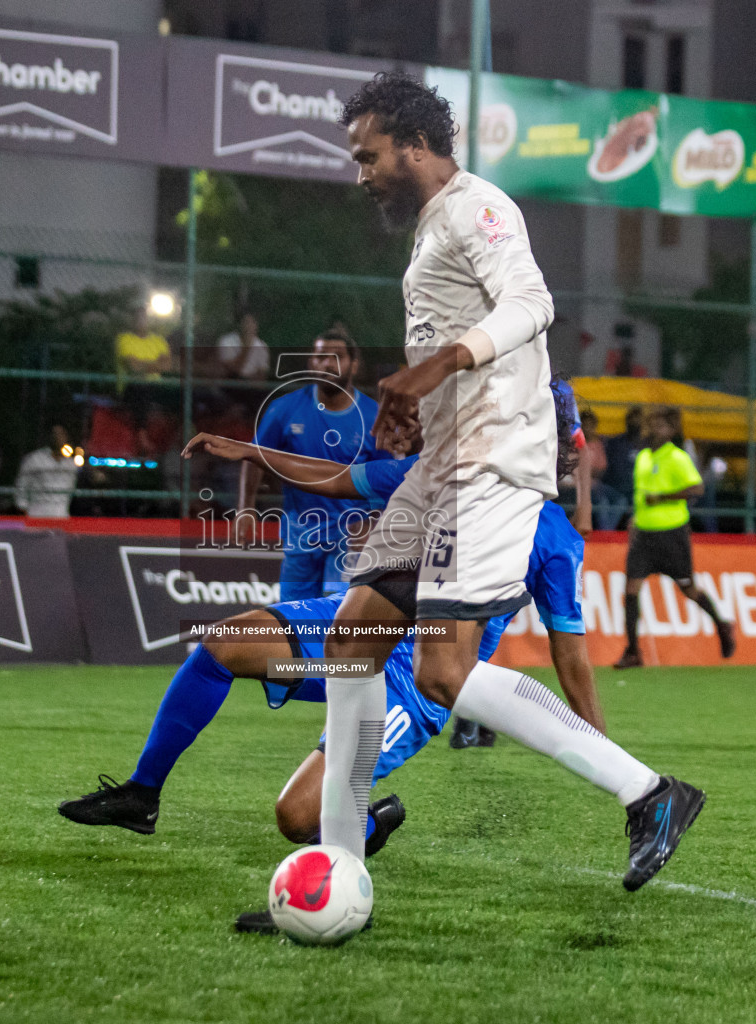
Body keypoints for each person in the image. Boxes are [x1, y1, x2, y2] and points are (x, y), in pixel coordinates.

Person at [314, 72, 700, 891]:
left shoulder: (480, 206)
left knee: (442, 674)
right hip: (442, 463)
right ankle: (336, 870)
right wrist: (419, 402)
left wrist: (441, 365)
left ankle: (650, 792)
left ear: (414, 143)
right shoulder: (428, 229)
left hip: (493, 466)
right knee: (352, 638)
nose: (360, 174)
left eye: (369, 155)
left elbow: (532, 300)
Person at [60, 382, 619, 928]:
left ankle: (356, 851)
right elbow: (336, 477)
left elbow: (569, 650)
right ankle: (143, 793)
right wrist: (252, 450)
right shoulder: (439, 477)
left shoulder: (549, 537)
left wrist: (609, 762)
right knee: (222, 644)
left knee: (294, 817)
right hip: (347, 633)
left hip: (410, 680)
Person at [239, 328, 378, 600]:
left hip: (349, 539)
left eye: (336, 357)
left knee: (337, 619)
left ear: (354, 364)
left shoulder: (373, 416)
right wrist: (246, 508)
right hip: (299, 537)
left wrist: (372, 525)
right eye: (320, 356)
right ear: (310, 362)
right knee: (294, 620)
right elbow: (254, 456)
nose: (327, 363)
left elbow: (388, 480)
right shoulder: (284, 408)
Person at [615, 406, 736, 669]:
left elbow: (697, 487)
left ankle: (722, 625)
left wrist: (662, 498)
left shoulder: (677, 457)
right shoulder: (644, 457)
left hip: (672, 534)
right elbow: (640, 493)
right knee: (631, 589)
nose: (656, 429)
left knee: (688, 589)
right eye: (653, 424)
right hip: (644, 535)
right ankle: (633, 651)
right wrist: (635, 518)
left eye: (662, 425)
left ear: (672, 430)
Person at [14, 424, 82, 519]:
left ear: (66, 437)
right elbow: (21, 485)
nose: (57, 437)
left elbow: (72, 490)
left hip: (61, 516)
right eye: (54, 434)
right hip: (36, 515)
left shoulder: (71, 464)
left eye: (61, 434)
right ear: (49, 436)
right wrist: (23, 509)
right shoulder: (33, 459)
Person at [600, 406, 644, 526]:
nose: (635, 422)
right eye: (632, 419)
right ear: (626, 421)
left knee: (643, 500)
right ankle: (607, 533)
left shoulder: (647, 445)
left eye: (638, 419)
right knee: (617, 500)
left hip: (639, 489)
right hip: (617, 487)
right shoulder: (616, 443)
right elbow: (612, 469)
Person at [114, 308, 173, 392]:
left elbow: (167, 366)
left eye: (144, 317)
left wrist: (142, 364)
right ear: (132, 320)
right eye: (138, 317)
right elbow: (134, 367)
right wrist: (156, 364)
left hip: (155, 388)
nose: (141, 320)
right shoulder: (123, 339)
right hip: (131, 388)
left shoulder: (159, 340)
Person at [216, 310, 270, 381]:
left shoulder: (262, 345)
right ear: (240, 324)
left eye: (252, 323)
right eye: (246, 322)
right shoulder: (226, 341)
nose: (249, 326)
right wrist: (247, 348)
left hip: (251, 387)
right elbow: (231, 371)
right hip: (229, 385)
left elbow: (262, 375)